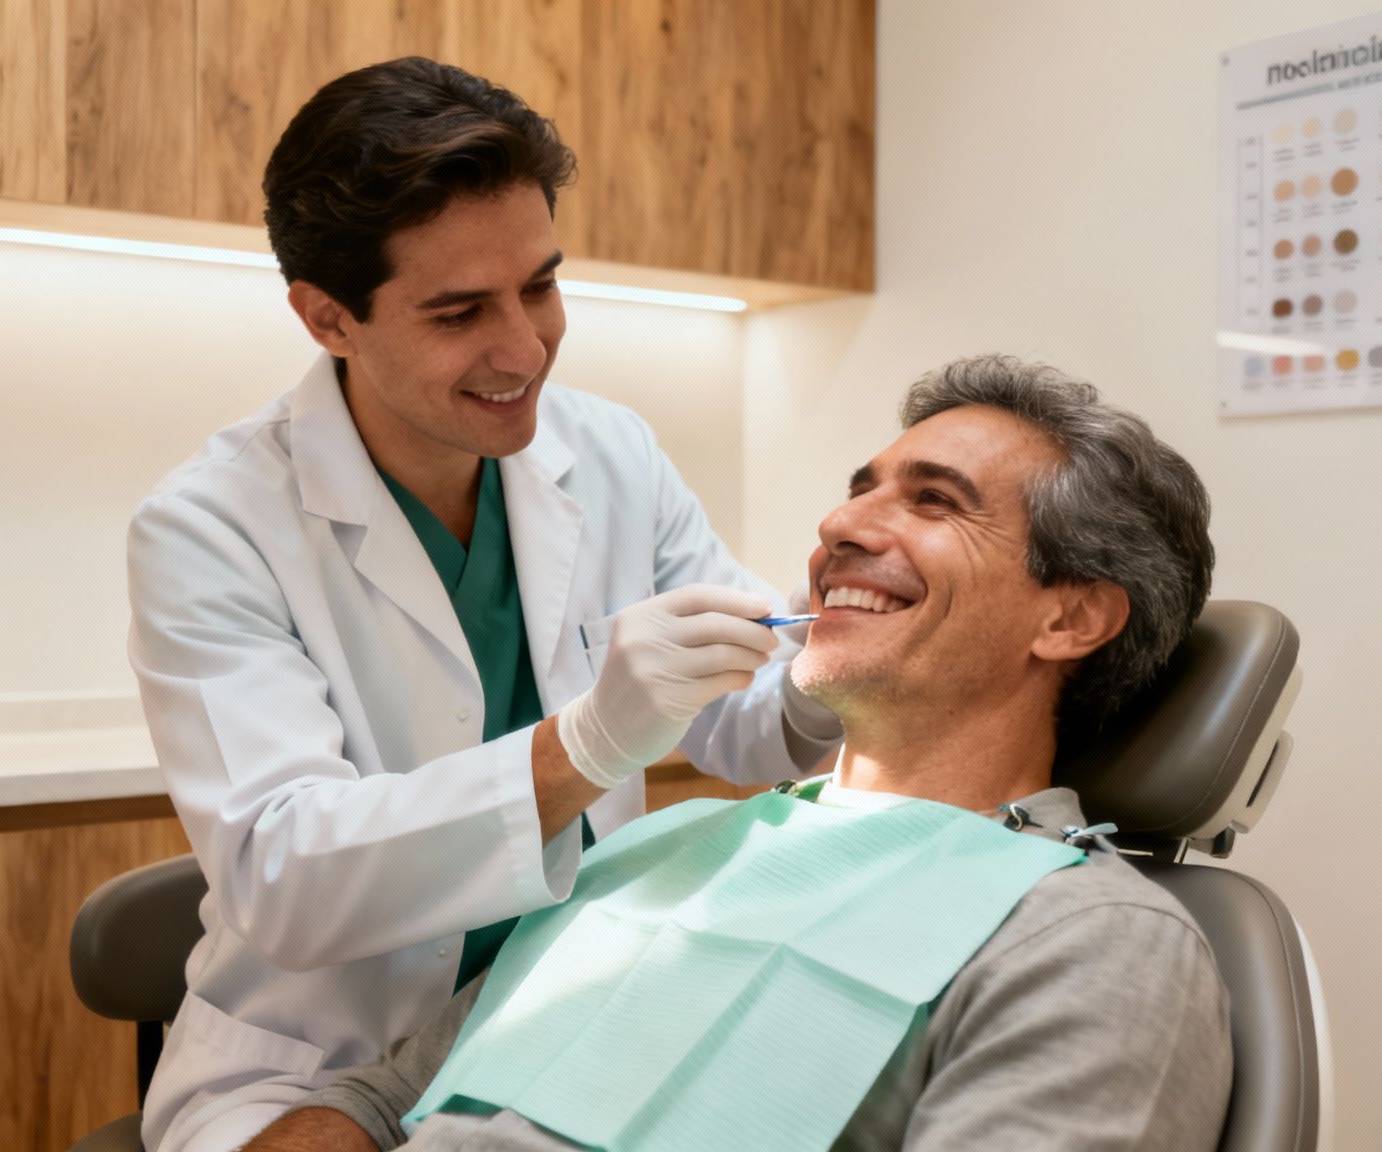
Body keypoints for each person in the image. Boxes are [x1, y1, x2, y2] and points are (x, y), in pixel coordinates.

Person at [243, 355, 1234, 1152]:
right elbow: (377, 1106)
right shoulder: (658, 847)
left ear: (1069, 616)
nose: (840, 525)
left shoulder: (1086, 938)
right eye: (859, 491)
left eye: (931, 501)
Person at [125, 58, 843, 1152]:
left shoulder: (608, 453)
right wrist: (585, 746)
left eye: (541, 287)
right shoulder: (210, 527)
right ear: (328, 319)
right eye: (459, 312)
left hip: (567, 1020)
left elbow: (750, 724)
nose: (524, 349)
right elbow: (286, 876)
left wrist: (847, 643)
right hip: (316, 1059)